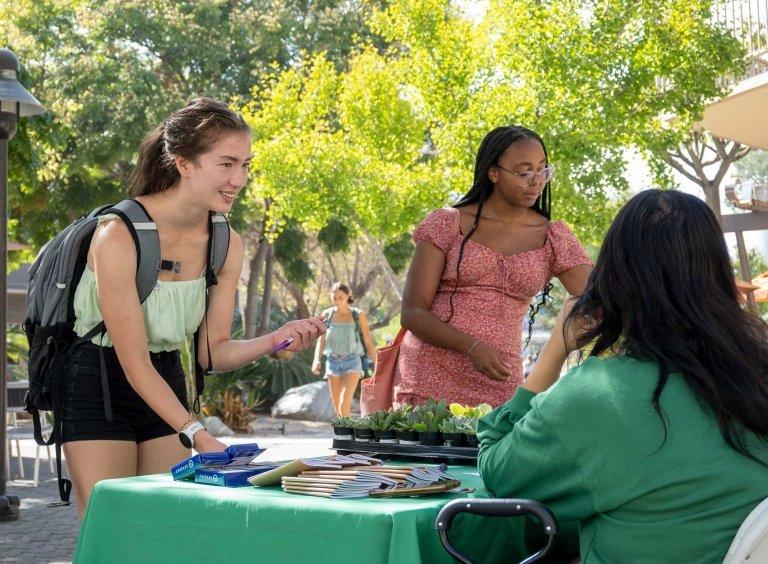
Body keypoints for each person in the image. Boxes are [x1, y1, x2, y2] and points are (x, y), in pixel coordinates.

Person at [62, 97, 326, 516]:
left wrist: (276, 339)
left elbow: (211, 353)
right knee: (109, 526)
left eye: (245, 165)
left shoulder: (226, 243)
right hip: (97, 380)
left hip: (165, 377)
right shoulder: (118, 235)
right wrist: (198, 433)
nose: (239, 178)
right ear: (183, 163)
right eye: (226, 164)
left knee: (159, 527)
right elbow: (134, 363)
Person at [478, 189, 768, 563]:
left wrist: (553, 353)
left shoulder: (600, 395)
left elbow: (499, 474)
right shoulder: (758, 373)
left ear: (615, 280)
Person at [398, 125, 592, 407]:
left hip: (500, 378)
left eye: (542, 171)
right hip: (431, 375)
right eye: (524, 172)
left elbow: (600, 297)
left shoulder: (552, 237)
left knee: (495, 449)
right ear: (493, 172)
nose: (536, 181)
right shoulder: (447, 223)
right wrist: (472, 346)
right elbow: (412, 312)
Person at [312, 283, 377, 416]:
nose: (336, 299)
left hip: (353, 360)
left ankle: (346, 435)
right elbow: (321, 340)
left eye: (340, 296)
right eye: (334, 296)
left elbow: (368, 341)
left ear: (348, 296)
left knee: (344, 403)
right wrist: (316, 360)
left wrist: (377, 364)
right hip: (333, 361)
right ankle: (343, 434)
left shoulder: (358, 315)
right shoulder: (326, 315)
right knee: (337, 408)